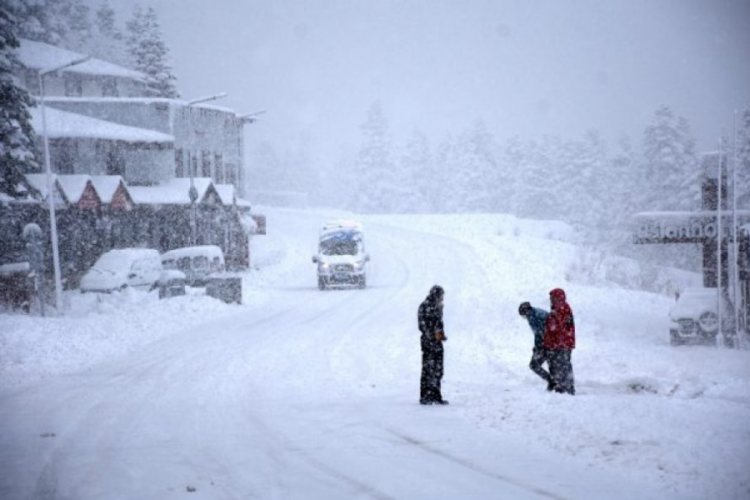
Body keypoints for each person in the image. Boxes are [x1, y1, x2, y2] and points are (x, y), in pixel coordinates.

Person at [418, 285, 449, 405]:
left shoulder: (438, 307)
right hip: (428, 343)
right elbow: (422, 326)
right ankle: (425, 396)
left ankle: (436, 395)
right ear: (435, 295)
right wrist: (432, 335)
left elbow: (439, 324)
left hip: (437, 343)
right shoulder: (425, 306)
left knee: (438, 369)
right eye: (441, 296)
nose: (442, 299)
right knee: (428, 369)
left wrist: (441, 334)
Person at [543, 288, 576, 395]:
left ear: (557, 298)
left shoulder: (562, 309)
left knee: (562, 366)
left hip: (561, 345)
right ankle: (561, 386)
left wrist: (555, 343)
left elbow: (558, 328)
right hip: (559, 344)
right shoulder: (559, 308)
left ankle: (565, 388)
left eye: (552, 298)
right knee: (559, 366)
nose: (551, 300)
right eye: (550, 298)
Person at [518, 301, 554, 391]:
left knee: (534, 365)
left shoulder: (538, 315)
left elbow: (544, 332)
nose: (524, 318)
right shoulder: (531, 316)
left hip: (549, 344)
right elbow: (537, 334)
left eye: (523, 315)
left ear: (526, 311)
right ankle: (552, 382)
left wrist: (541, 346)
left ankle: (552, 382)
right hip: (544, 345)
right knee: (536, 365)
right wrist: (536, 346)